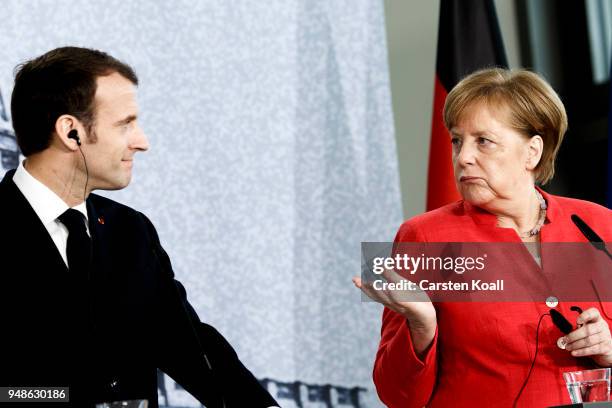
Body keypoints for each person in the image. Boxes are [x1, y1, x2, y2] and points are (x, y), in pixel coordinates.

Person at [0, 46, 278, 408]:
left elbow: (188, 344)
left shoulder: (131, 231)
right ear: (71, 133)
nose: (142, 142)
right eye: (125, 124)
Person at [354, 68, 612, 407]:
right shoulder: (423, 237)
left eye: (483, 142)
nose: (463, 158)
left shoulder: (599, 224)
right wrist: (421, 326)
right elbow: (396, 396)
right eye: (457, 141)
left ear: (532, 151)